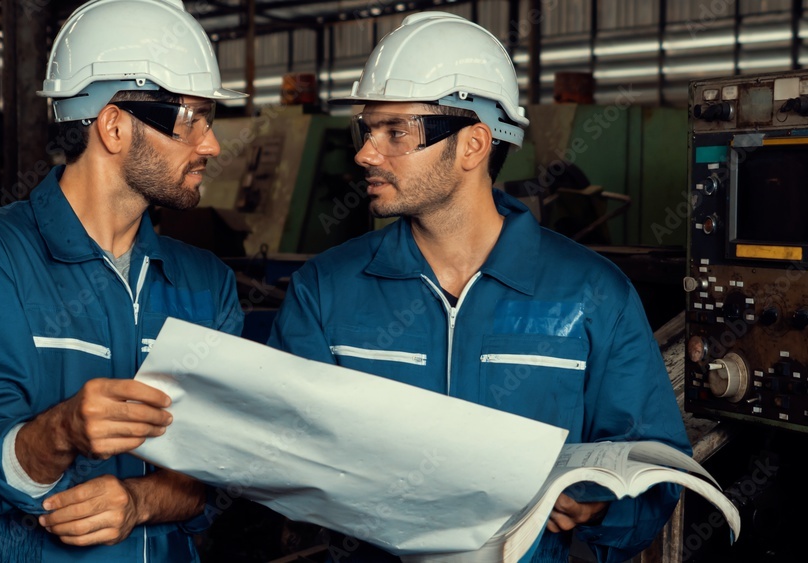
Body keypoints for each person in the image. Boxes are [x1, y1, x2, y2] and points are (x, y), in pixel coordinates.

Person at [268, 12, 690, 563]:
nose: (365, 154)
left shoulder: (591, 295)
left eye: (394, 131)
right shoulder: (324, 290)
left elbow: (658, 467)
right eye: (366, 130)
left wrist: (606, 509)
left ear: (472, 145)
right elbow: (274, 452)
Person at [0, 1, 245, 561]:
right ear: (114, 125)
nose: (210, 144)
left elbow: (223, 468)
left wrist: (140, 502)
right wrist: (61, 430)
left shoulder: (205, 282)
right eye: (192, 118)